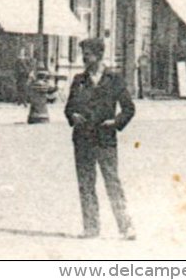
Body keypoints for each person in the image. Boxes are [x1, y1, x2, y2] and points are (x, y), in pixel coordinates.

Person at [64, 37, 136, 240]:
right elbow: (69, 107)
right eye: (83, 54)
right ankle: (91, 228)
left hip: (105, 139)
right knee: (86, 183)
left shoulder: (114, 80)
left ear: (99, 55)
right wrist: (73, 116)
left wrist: (115, 122)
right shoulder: (79, 80)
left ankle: (126, 227)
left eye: (87, 54)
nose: (84, 58)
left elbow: (129, 109)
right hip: (82, 138)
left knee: (112, 182)